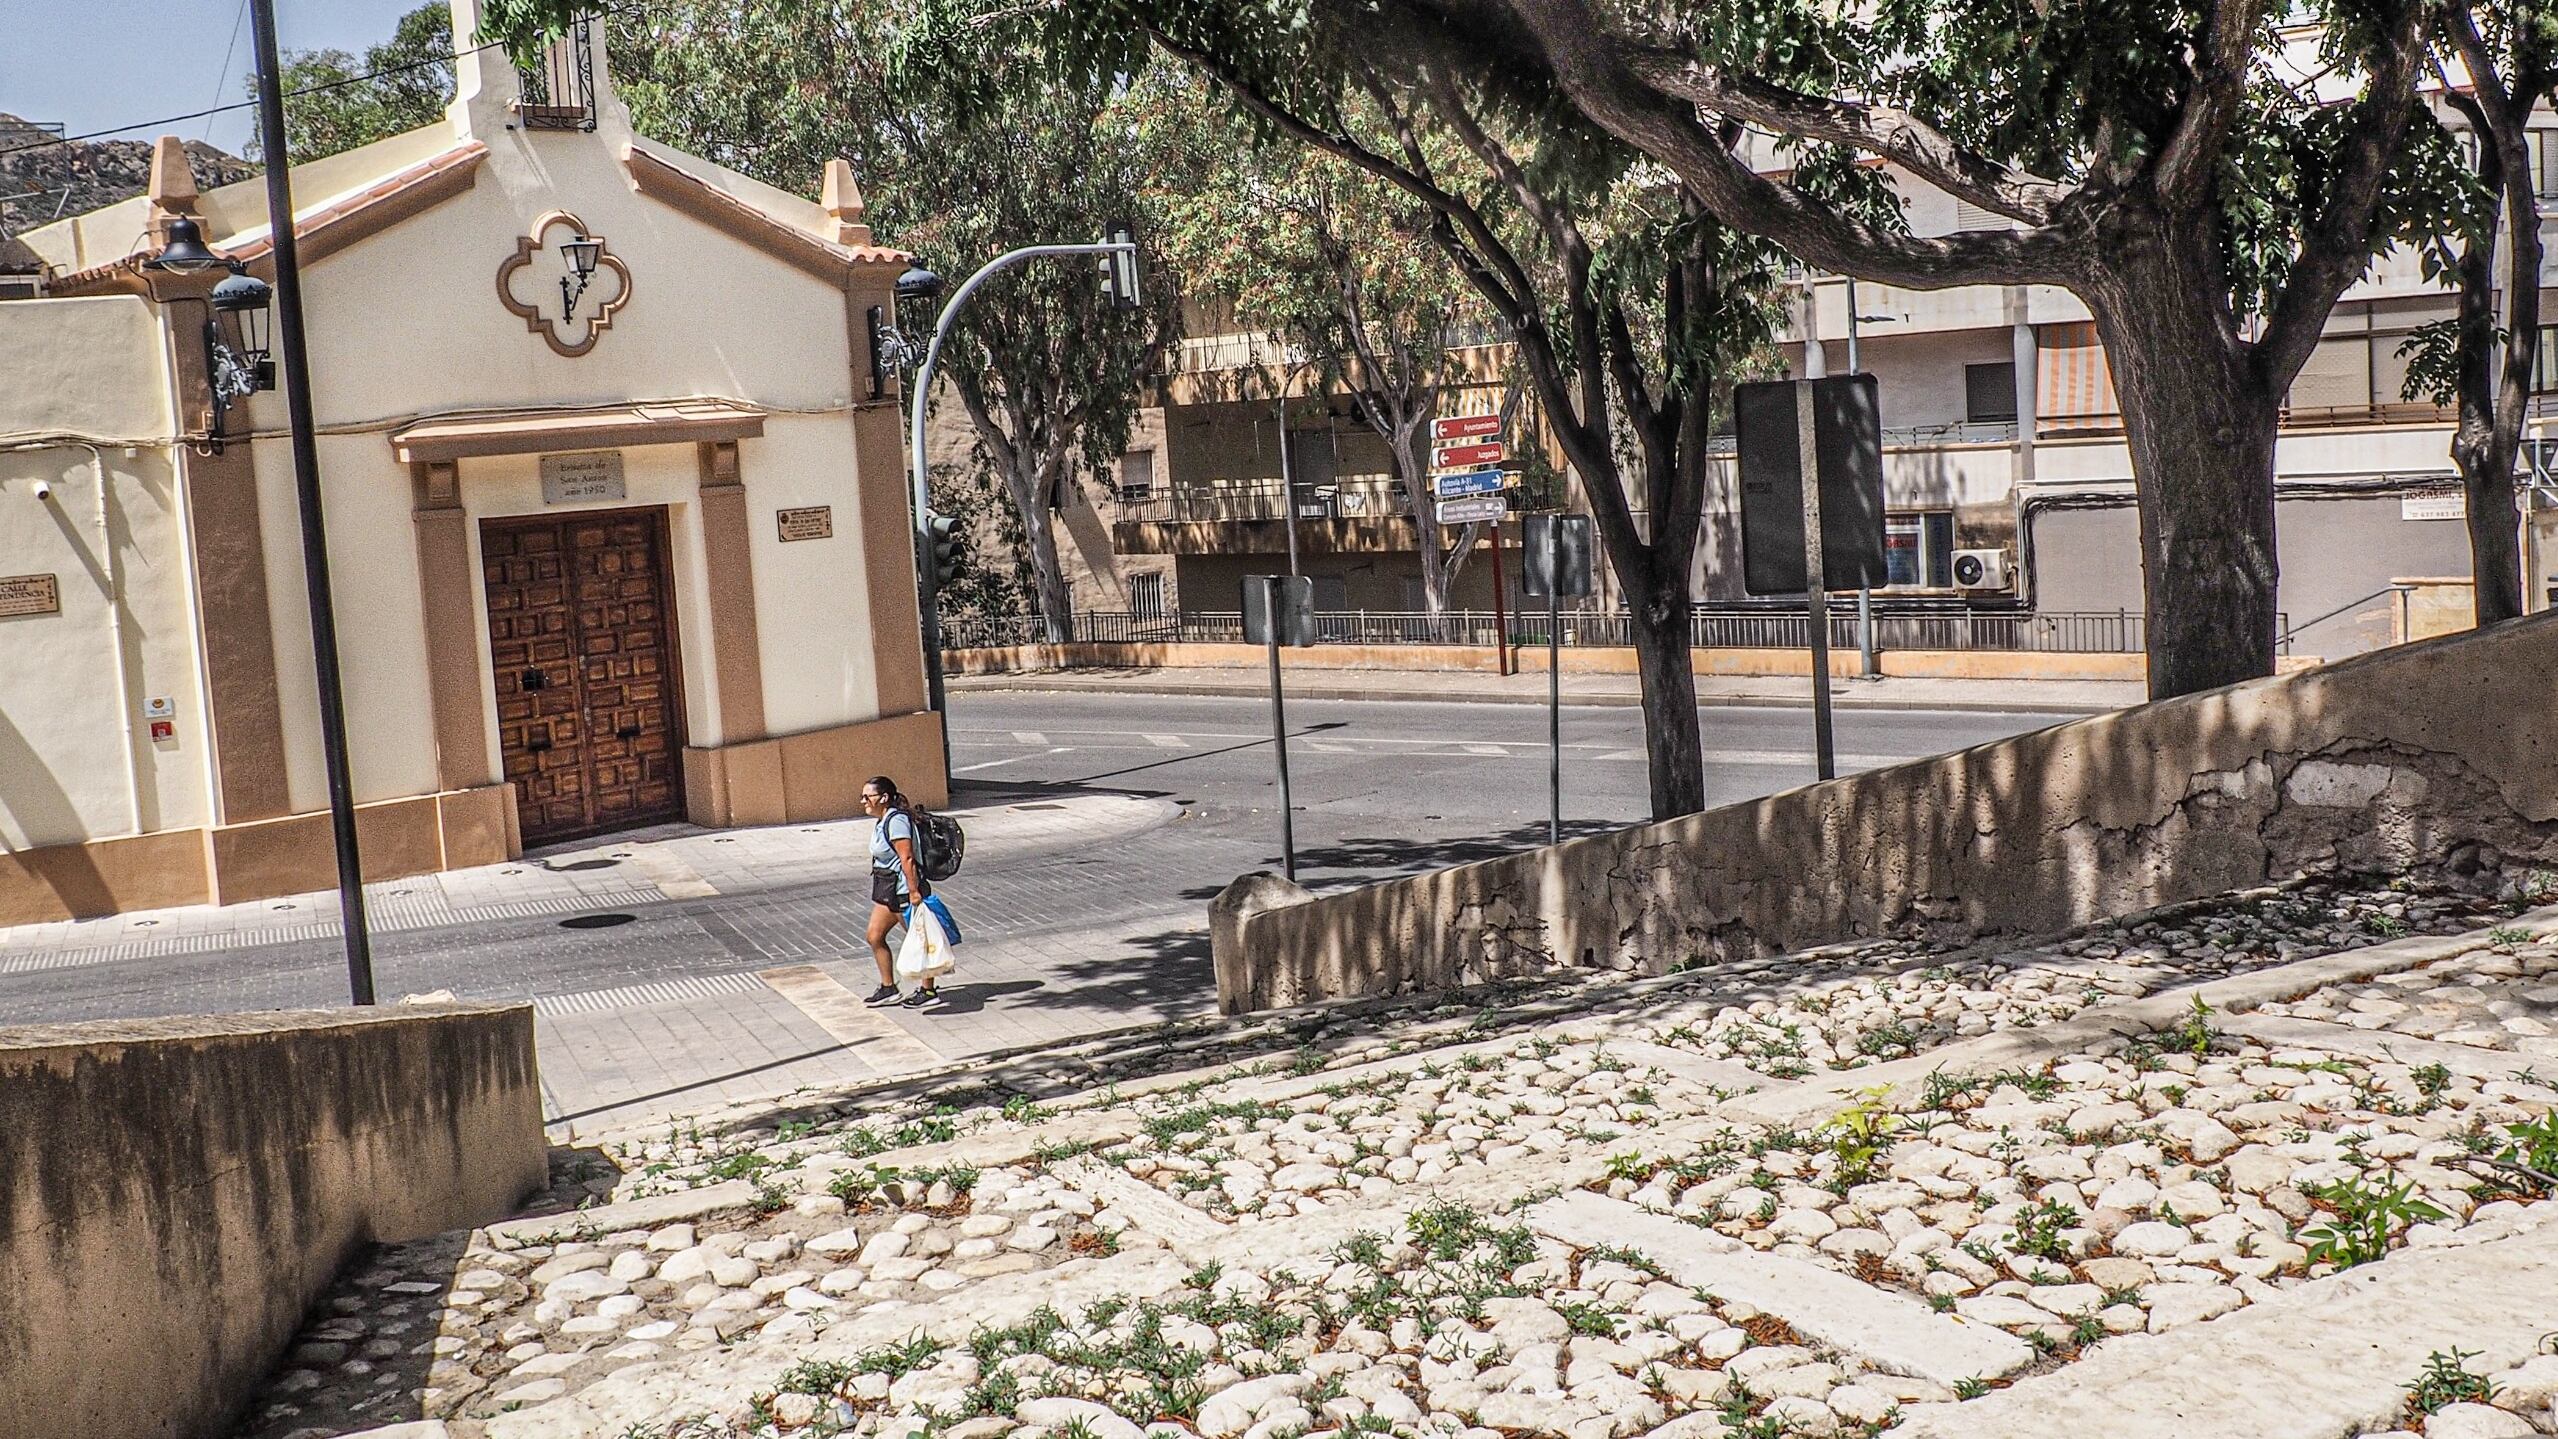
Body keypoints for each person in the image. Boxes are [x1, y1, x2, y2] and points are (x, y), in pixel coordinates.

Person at [858, 775, 940, 1009]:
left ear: (883, 798)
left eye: (868, 796)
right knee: (874, 935)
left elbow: (907, 858)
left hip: (905, 891)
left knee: (921, 940)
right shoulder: (884, 819)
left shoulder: (896, 821)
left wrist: (914, 892)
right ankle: (888, 988)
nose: (863, 801)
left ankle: (928, 989)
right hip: (888, 890)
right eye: (862, 796)